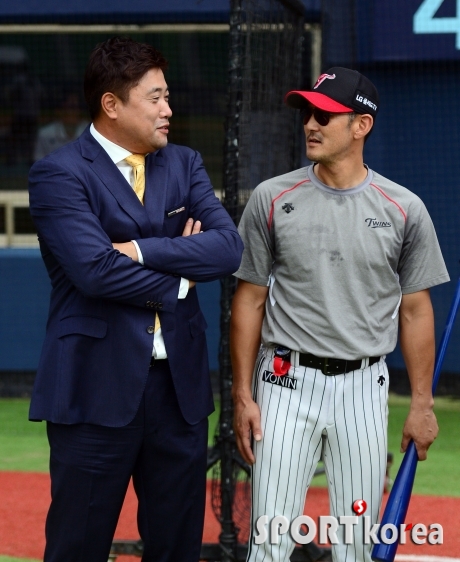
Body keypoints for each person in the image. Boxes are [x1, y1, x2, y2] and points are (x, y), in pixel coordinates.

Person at [28, 36, 243, 562]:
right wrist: (181, 276)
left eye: (167, 97)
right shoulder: (59, 173)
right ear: (112, 104)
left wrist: (142, 250)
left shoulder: (185, 163)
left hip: (180, 395)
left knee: (177, 548)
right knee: (77, 545)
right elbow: (95, 271)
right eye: (156, 98)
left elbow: (227, 249)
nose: (169, 110)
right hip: (93, 391)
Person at [230, 67, 449, 562]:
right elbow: (249, 300)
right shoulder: (272, 197)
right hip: (284, 382)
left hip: (364, 388)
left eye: (326, 114)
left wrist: (421, 403)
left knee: (357, 543)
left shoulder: (404, 209)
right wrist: (243, 394)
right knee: (268, 542)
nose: (311, 123)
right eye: (308, 112)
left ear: (361, 125)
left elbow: (415, 310)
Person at [34, 89, 89, 161]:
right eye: (70, 107)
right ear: (60, 111)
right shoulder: (45, 134)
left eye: (76, 107)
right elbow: (38, 162)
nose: (74, 112)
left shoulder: (93, 133)